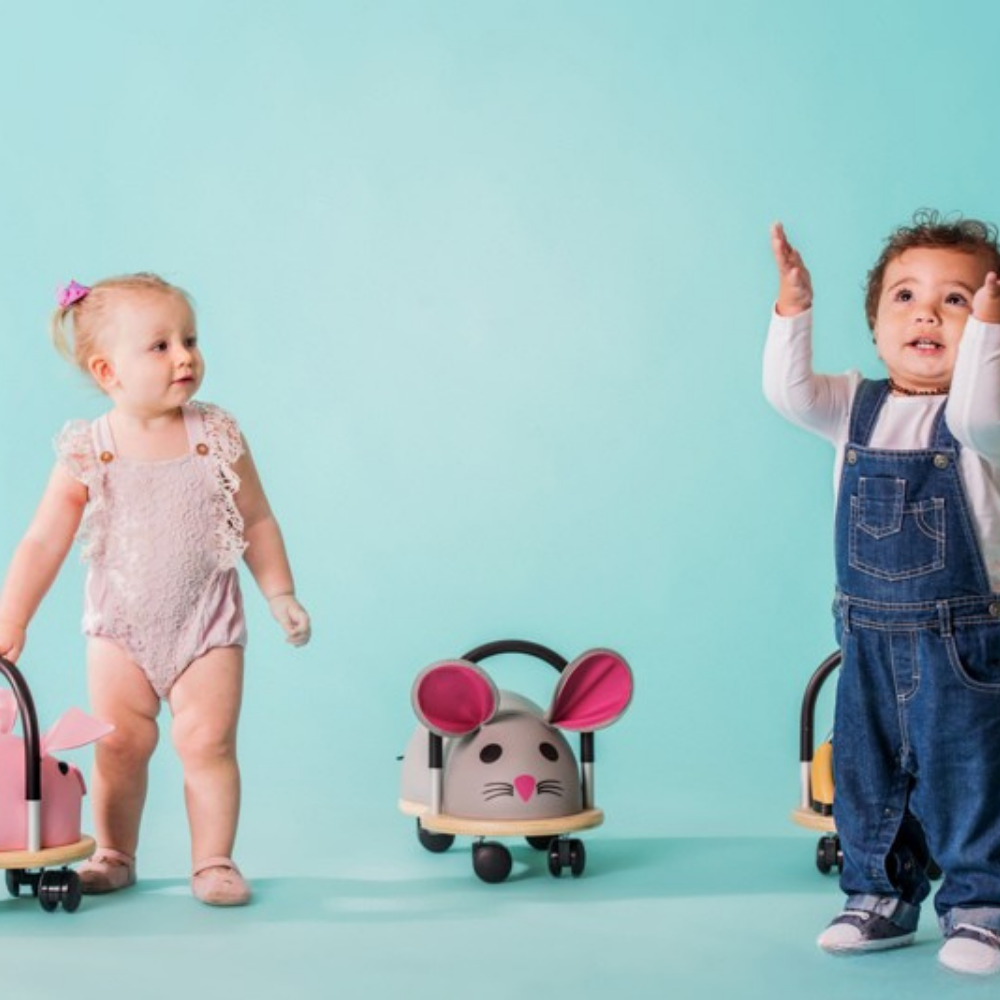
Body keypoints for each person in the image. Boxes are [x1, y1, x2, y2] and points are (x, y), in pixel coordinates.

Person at [0, 274, 311, 906]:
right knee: (120, 744)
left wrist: (280, 593)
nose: (185, 356)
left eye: (189, 340)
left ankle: (214, 861)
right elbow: (42, 542)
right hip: (120, 628)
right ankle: (115, 853)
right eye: (161, 346)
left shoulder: (216, 434)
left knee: (209, 742)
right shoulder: (91, 449)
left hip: (207, 623)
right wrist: (14, 618)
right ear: (108, 371)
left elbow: (256, 518)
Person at [765, 211, 1000, 975]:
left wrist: (990, 343)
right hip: (866, 637)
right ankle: (876, 895)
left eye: (958, 300)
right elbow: (788, 393)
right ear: (874, 323)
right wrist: (794, 311)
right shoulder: (853, 407)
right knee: (870, 773)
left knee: (968, 774)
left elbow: (973, 409)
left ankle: (979, 903)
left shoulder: (984, 420)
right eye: (905, 296)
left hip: (964, 642)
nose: (927, 312)